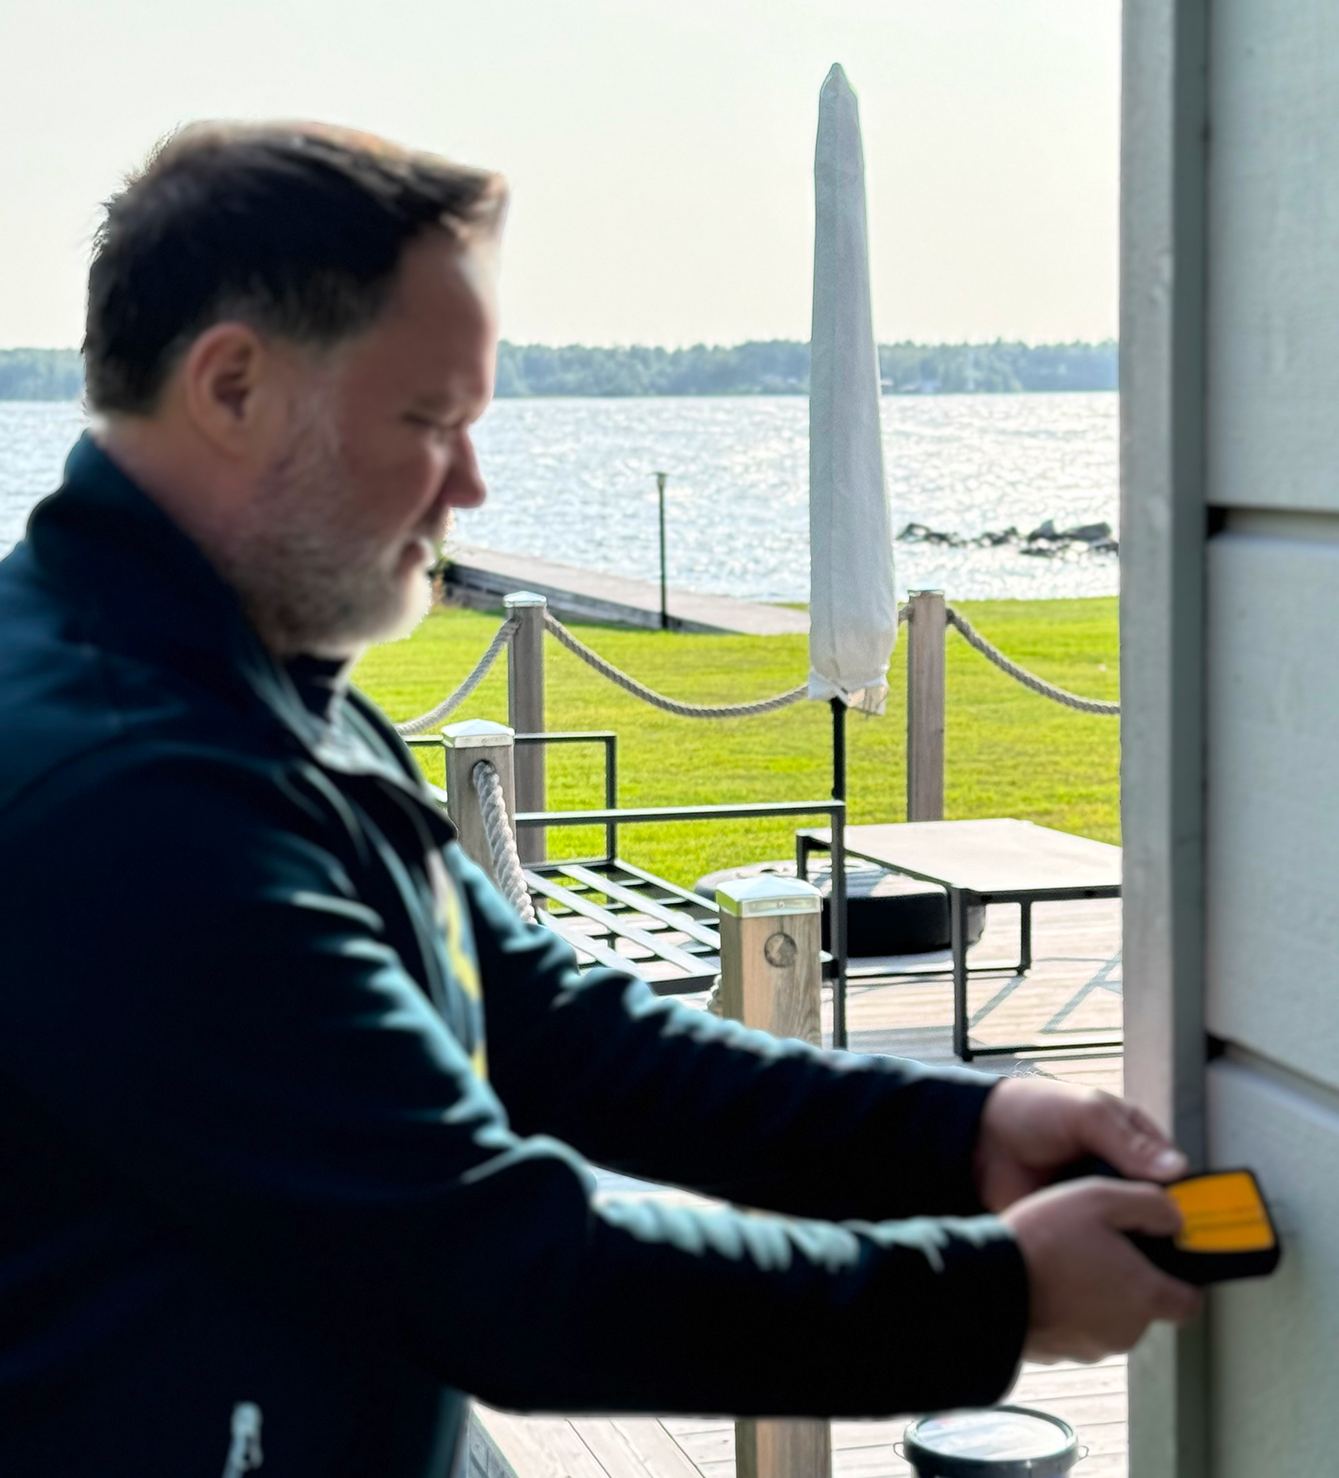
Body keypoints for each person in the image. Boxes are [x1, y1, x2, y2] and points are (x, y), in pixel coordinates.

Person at [0, 123, 1200, 1477]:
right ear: (232, 387)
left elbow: (551, 1029)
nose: (472, 485)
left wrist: (960, 1134)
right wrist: (996, 1298)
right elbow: (500, 1270)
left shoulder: (261, 690)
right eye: (431, 422)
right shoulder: (127, 791)